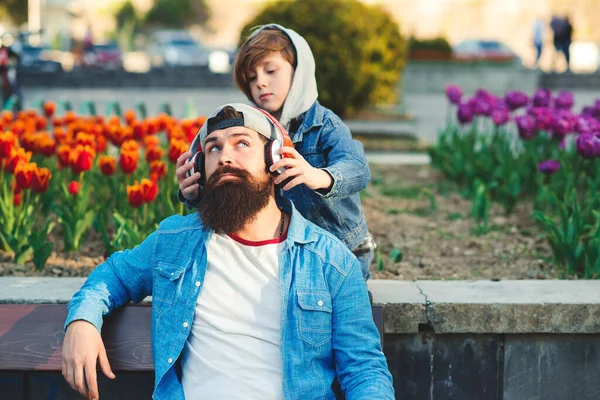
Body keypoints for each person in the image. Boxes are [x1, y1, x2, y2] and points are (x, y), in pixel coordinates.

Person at [62, 103, 395, 400]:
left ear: (276, 160)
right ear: (200, 170)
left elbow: (364, 369)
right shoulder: (175, 243)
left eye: (242, 144)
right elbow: (114, 275)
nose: (224, 156)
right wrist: (82, 321)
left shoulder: (331, 262)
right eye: (213, 148)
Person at [177, 24, 376, 280]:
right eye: (251, 77)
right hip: (283, 254)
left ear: (299, 72)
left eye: (270, 70)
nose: (260, 82)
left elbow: (358, 168)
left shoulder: (325, 125)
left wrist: (317, 176)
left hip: (341, 252)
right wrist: (194, 193)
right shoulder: (251, 130)